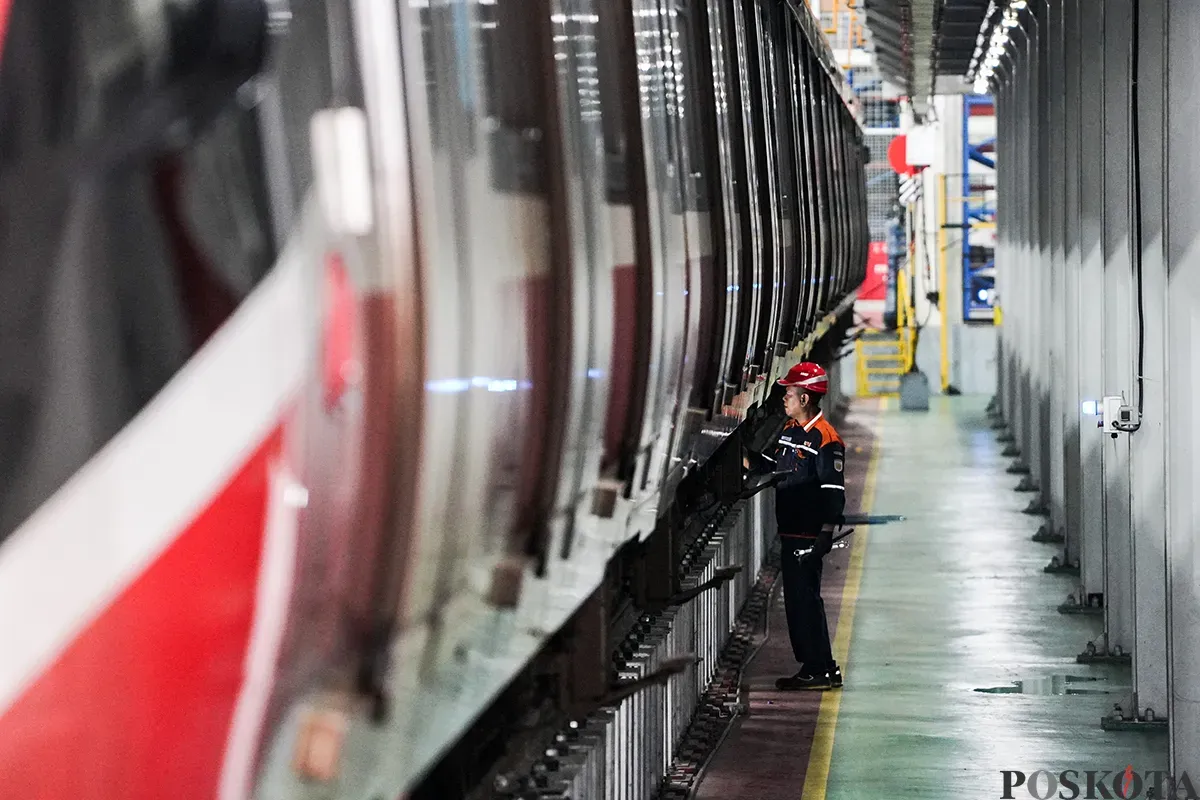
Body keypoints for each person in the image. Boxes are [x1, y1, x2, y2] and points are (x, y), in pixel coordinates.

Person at [770, 362, 847, 691]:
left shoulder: (826, 439)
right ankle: (816, 666)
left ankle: (822, 668)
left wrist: (824, 537)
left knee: (806, 600)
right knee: (798, 602)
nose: (784, 398)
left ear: (804, 398)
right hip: (790, 530)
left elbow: (834, 493)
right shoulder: (790, 431)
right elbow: (779, 468)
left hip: (807, 534)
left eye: (789, 393)